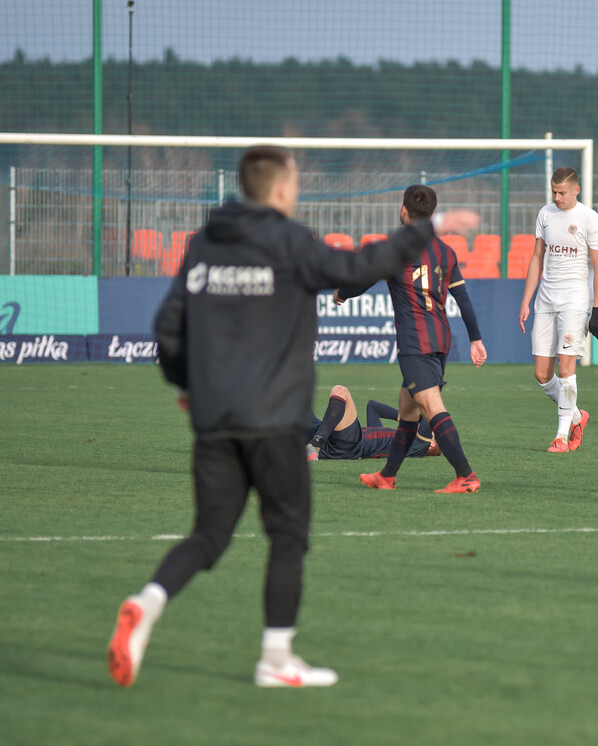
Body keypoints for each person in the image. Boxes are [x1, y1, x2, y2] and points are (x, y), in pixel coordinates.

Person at [106, 145, 479, 689]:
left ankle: (147, 602)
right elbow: (360, 265)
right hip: (276, 420)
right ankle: (275, 659)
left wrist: (187, 386)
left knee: (209, 535)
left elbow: (167, 328)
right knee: (287, 536)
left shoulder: (204, 245)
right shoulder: (292, 243)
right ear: (281, 189)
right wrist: (431, 228)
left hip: (216, 420)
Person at [336, 184, 487, 494]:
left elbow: (362, 280)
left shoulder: (398, 249)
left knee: (431, 406)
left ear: (404, 210)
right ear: (431, 214)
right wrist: (475, 338)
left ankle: (465, 475)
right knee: (408, 408)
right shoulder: (446, 251)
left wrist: (341, 293)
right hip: (440, 339)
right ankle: (387, 475)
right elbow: (464, 298)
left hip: (415, 342)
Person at [517, 167, 598, 453]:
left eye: (562, 192)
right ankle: (578, 417)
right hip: (546, 300)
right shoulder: (545, 214)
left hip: (575, 300)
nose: (557, 197)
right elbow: (536, 258)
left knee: (566, 366)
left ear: (576, 190)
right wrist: (526, 300)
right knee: (542, 374)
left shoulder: (590, 220)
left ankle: (561, 436)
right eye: (554, 191)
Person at [306, 384, 438, 461]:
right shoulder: (383, 439)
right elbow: (373, 407)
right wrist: (402, 417)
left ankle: (315, 444)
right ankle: (311, 446)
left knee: (340, 391)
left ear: (431, 444)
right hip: (337, 441)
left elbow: (430, 408)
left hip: (350, 445)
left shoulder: (420, 446)